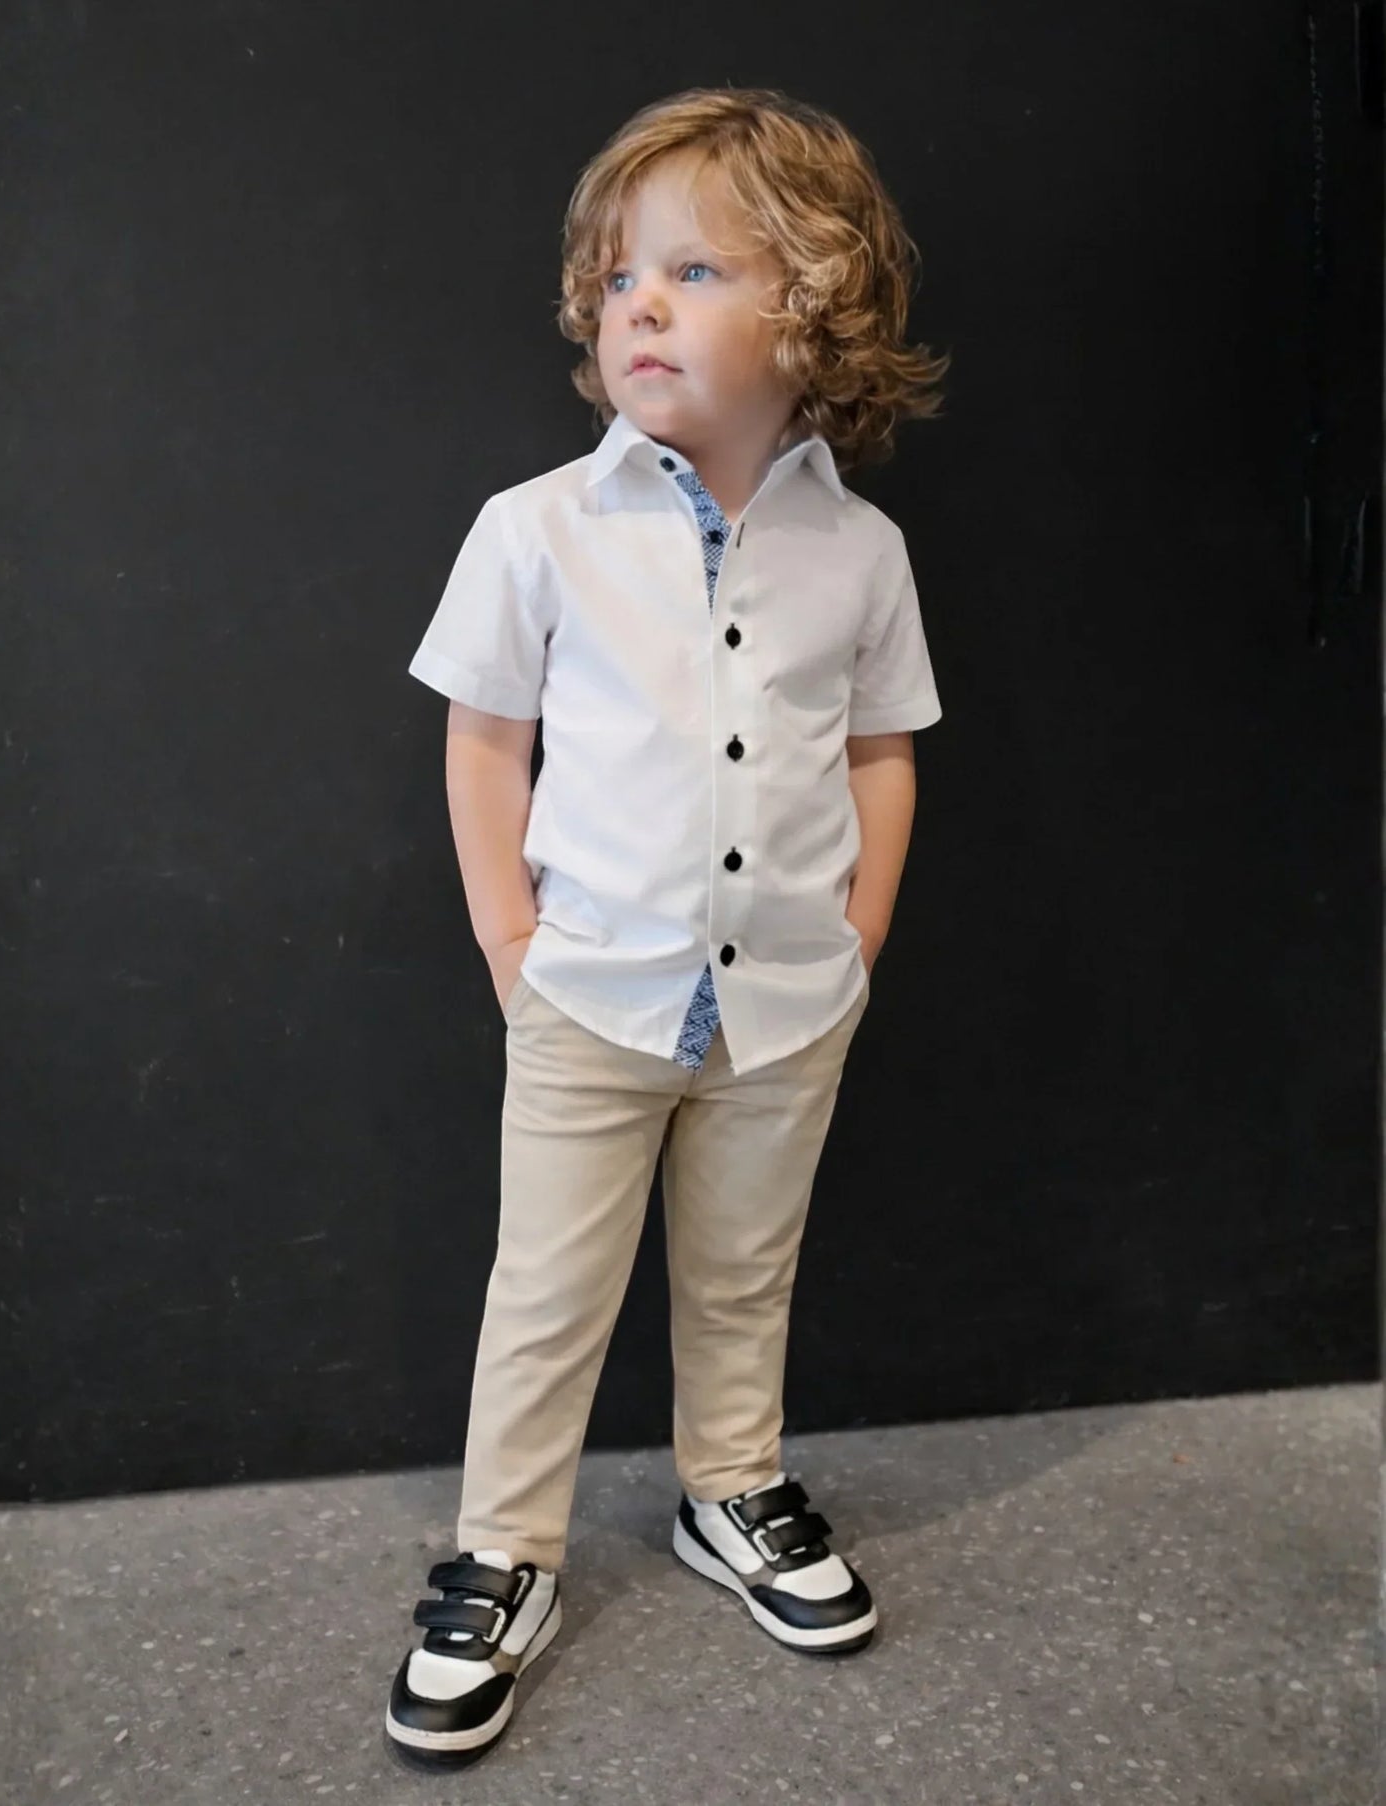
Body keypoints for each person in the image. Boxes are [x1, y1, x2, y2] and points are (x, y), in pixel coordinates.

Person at [385, 84, 948, 1771]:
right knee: (547, 1289)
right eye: (622, 277)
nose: (640, 303)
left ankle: (729, 1487)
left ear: (817, 306)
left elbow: (880, 755)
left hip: (783, 998)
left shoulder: (858, 551)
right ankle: (507, 1552)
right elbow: (485, 738)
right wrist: (508, 943)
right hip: (587, 990)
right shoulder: (538, 528)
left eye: (695, 271)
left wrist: (852, 942)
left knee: (741, 1267)